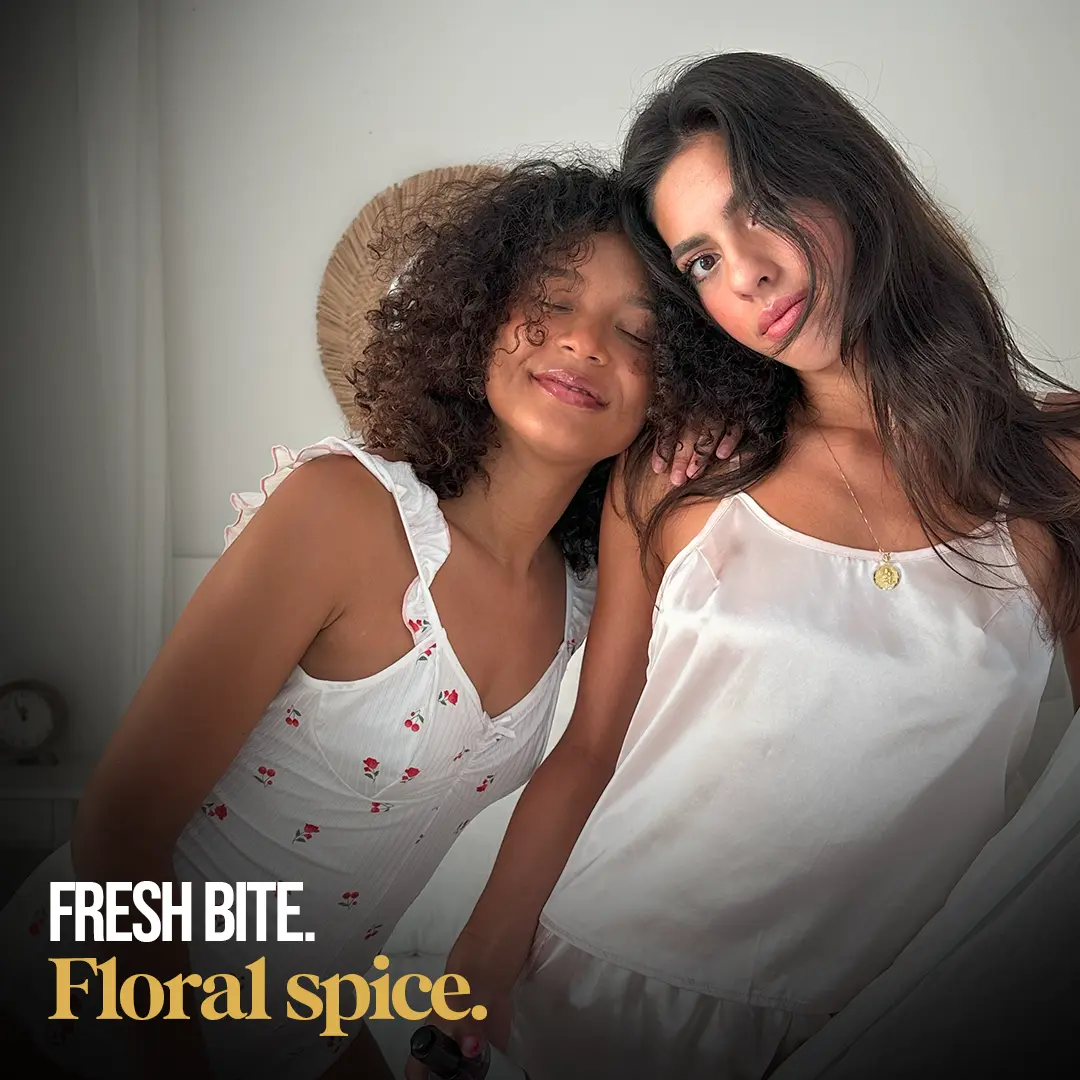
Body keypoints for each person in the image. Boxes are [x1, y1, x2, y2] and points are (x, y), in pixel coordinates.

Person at [414, 53, 1080, 1080]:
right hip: (596, 994)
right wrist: (479, 965)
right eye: (700, 261)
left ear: (849, 182)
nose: (747, 274)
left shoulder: (1050, 479)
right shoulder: (684, 475)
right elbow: (590, 747)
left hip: (884, 1026)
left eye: (761, 210)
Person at [0, 159, 727, 1080]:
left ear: (674, 387)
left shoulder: (582, 588)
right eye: (552, 300)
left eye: (640, 334)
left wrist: (462, 991)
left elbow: (589, 754)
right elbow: (119, 828)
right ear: (478, 315)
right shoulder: (340, 510)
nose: (585, 343)